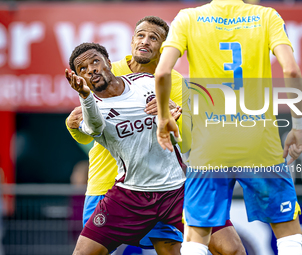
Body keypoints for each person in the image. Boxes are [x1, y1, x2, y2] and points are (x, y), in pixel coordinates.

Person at [66, 16, 244, 255]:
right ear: (131, 41)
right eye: (141, 35)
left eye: (153, 38)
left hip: (167, 185)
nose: (145, 42)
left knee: (172, 249)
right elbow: (89, 133)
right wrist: (71, 125)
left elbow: (185, 140)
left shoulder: (170, 82)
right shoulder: (102, 72)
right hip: (110, 185)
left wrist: (174, 117)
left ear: (166, 48)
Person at [154, 1, 302, 255]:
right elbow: (291, 69)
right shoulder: (266, 16)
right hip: (259, 143)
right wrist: (298, 126)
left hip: (209, 147)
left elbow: (162, 73)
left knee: (196, 236)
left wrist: (162, 117)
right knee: (287, 230)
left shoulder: (188, 17)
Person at [66, 42, 185, 255]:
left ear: (109, 63)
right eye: (82, 69)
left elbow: (188, 120)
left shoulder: (148, 82)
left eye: (95, 61)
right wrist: (85, 96)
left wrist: (171, 108)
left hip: (174, 189)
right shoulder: (90, 111)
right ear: (79, 79)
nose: (91, 69)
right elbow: (93, 128)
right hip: (127, 194)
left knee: (227, 248)